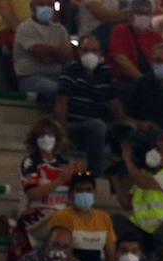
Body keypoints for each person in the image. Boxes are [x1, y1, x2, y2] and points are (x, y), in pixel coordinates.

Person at [113, 134, 163, 261]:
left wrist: (127, 159)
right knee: (115, 221)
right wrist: (115, 181)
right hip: (147, 233)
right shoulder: (145, 174)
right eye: (153, 148)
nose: (153, 152)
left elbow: (143, 182)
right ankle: (132, 258)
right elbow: (126, 203)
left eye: (158, 149)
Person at [55, 36, 122, 175]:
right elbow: (61, 103)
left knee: (126, 131)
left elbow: (114, 104)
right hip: (75, 125)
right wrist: (63, 134)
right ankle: (94, 173)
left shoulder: (105, 72)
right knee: (97, 126)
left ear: (100, 53)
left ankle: (120, 174)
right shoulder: (71, 70)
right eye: (85, 50)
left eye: (94, 50)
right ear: (78, 52)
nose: (90, 54)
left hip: (99, 125)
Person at [17, 118, 77, 238]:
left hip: (62, 214)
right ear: (35, 139)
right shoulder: (30, 162)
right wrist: (59, 180)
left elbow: (72, 196)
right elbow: (32, 193)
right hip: (36, 214)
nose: (45, 139)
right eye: (41, 135)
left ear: (56, 138)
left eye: (50, 135)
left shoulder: (64, 163)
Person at [48, 172, 116, 261]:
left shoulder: (104, 217)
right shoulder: (62, 216)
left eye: (89, 190)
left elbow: (111, 254)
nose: (84, 194)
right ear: (71, 194)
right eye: (79, 190)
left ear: (95, 193)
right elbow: (66, 255)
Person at [13, 0, 71, 100]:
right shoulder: (24, 28)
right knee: (57, 90)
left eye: (49, 4)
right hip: (31, 79)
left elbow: (67, 56)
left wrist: (51, 52)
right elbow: (40, 53)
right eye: (41, 4)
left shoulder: (61, 29)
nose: (45, 7)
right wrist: (58, 53)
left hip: (58, 77)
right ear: (32, 7)